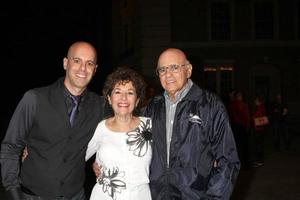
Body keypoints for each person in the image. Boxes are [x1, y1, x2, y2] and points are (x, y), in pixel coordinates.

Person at [0, 41, 105, 200]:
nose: (83, 68)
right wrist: (13, 191)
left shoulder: (100, 106)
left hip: (76, 196)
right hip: (32, 196)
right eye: (77, 61)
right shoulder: (34, 99)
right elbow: (11, 146)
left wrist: (105, 160)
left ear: (95, 69)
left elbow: (125, 121)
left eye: (89, 63)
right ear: (65, 63)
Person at [85, 66, 152, 200]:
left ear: (137, 100)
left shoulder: (150, 126)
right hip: (104, 196)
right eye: (117, 92)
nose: (123, 98)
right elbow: (76, 156)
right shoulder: (100, 128)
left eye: (130, 92)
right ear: (109, 99)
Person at [228, 91, 251, 169]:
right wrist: (248, 126)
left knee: (236, 145)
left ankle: (237, 162)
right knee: (244, 145)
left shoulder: (231, 105)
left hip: (234, 126)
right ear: (240, 96)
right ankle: (245, 163)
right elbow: (246, 116)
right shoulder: (243, 105)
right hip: (242, 126)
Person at [251, 96, 268, 167]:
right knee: (259, 144)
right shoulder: (261, 107)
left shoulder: (260, 108)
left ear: (258, 101)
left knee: (259, 145)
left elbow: (257, 117)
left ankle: (260, 161)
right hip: (261, 129)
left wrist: (252, 117)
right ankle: (260, 160)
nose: (254, 102)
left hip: (259, 129)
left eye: (255, 100)